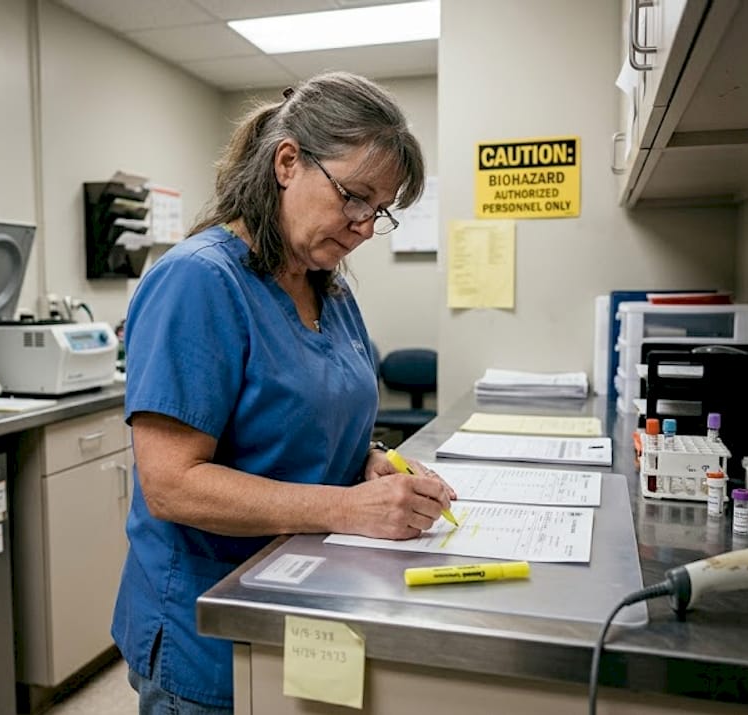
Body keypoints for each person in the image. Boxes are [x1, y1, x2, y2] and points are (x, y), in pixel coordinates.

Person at [112, 71, 456, 714]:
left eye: (377, 212)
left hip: (305, 602)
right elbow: (171, 483)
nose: (361, 226)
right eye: (354, 197)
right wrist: (350, 509)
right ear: (288, 162)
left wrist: (369, 460)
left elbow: (316, 416)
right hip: (208, 623)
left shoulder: (331, 289)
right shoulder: (199, 282)